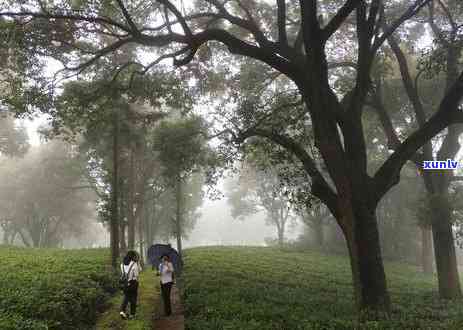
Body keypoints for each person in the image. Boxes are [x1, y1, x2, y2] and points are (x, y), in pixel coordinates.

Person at [120, 250, 140, 320]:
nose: (135, 257)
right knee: (133, 299)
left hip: (125, 283)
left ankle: (122, 311)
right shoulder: (134, 264)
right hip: (133, 283)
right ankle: (132, 315)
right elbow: (137, 275)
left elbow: (123, 274)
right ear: (132, 256)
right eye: (135, 256)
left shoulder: (122, 264)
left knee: (126, 297)